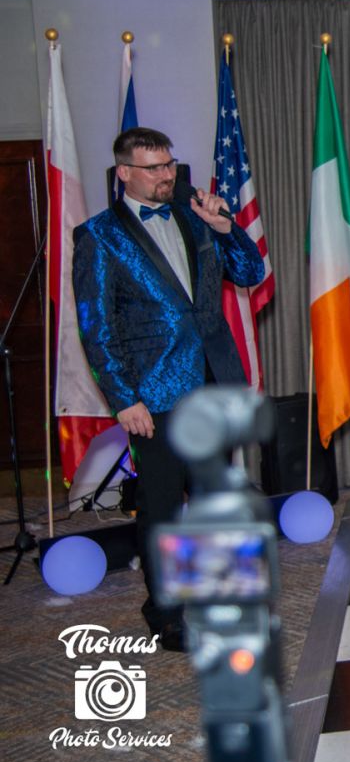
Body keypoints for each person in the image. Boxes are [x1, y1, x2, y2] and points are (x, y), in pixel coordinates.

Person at [74, 127, 266, 650]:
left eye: (169, 165)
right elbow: (97, 327)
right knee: (161, 506)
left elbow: (250, 271)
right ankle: (167, 610)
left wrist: (225, 226)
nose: (167, 175)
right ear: (124, 173)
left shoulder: (195, 216)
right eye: (154, 167)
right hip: (153, 394)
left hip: (212, 380)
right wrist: (123, 399)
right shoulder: (99, 236)